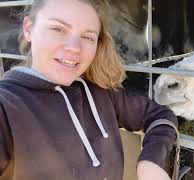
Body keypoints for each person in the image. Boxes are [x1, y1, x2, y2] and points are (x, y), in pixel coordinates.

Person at [0, 0, 178, 180]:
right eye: (58, 29)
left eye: (88, 37)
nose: (74, 47)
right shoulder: (5, 107)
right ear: (29, 29)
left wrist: (150, 163)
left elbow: (160, 115)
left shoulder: (100, 92)